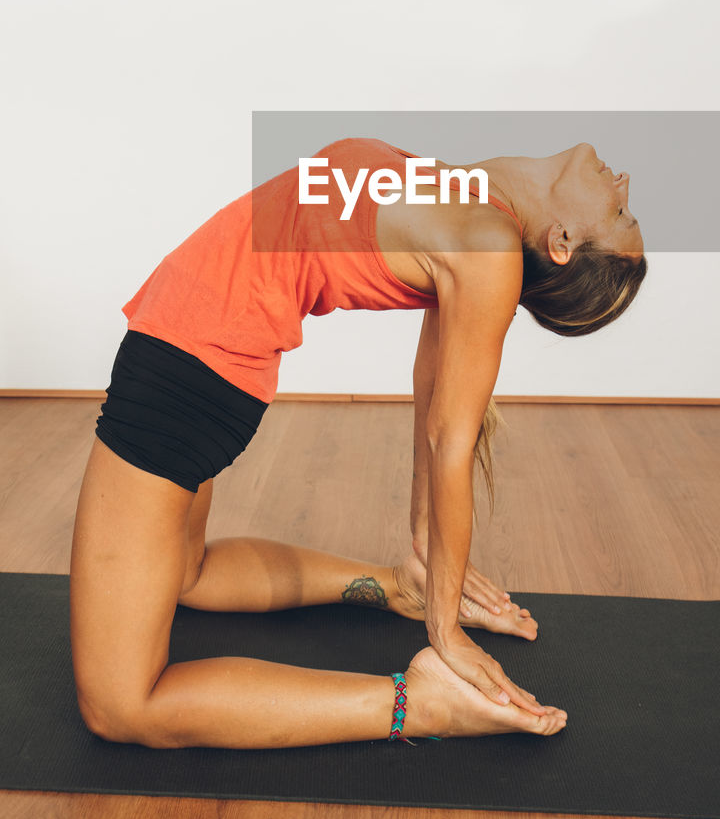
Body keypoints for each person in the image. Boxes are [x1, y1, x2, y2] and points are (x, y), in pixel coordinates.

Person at [70, 137, 646, 748]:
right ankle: (396, 585)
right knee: (189, 575)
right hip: (195, 352)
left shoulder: (487, 243)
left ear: (561, 242)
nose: (625, 184)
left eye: (619, 216)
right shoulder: (473, 203)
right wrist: (425, 559)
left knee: (120, 706)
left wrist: (445, 631)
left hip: (184, 371)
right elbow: (433, 386)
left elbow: (453, 438)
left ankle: (418, 705)